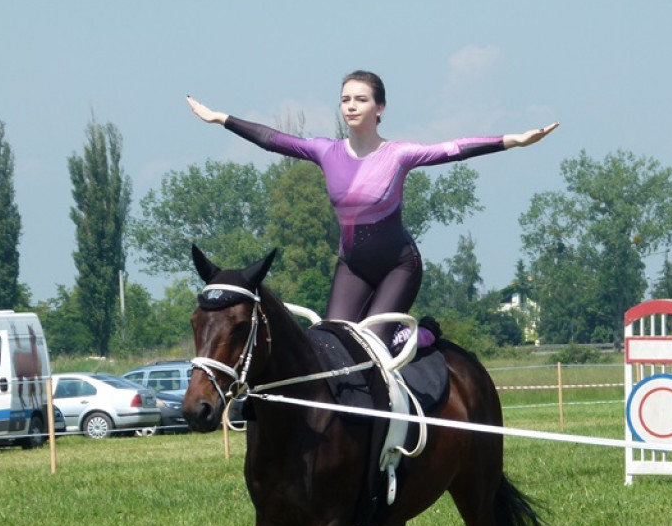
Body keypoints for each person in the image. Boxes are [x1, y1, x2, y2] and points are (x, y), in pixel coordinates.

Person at [186, 70, 559, 349]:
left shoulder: (399, 155)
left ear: (379, 108)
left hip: (398, 265)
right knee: (333, 344)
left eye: (361, 99)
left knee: (376, 345)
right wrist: (222, 119)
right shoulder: (325, 151)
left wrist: (512, 140)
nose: (351, 105)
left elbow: (454, 148)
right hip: (353, 266)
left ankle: (421, 334)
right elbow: (271, 139)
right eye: (345, 99)